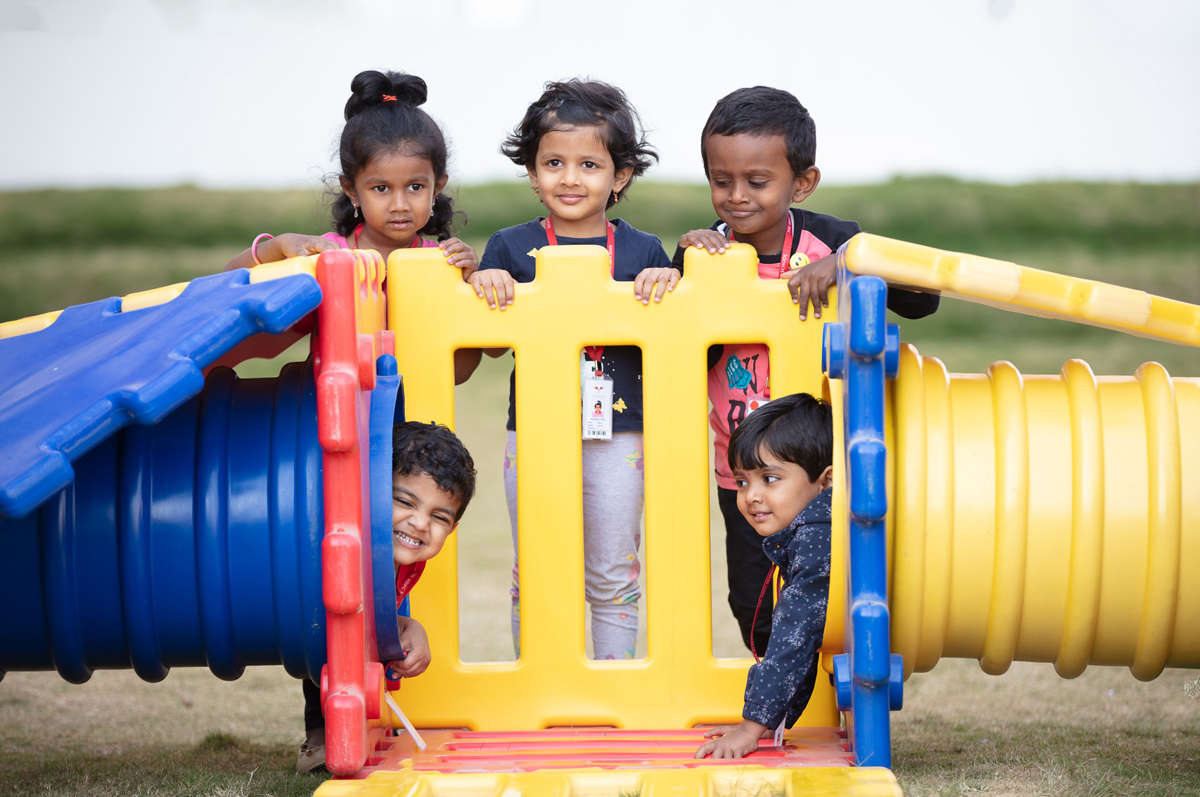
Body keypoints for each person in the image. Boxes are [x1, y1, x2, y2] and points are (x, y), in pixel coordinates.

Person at [670, 86, 939, 655]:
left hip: (824, 470)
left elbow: (924, 295)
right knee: (752, 601)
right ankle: (778, 691)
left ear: (803, 181)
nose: (736, 196)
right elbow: (672, 339)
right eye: (721, 181)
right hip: (741, 471)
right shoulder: (705, 254)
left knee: (827, 585)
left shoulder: (833, 239)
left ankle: (822, 693)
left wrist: (848, 263)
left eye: (757, 181)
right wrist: (685, 263)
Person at [466, 79, 679, 661]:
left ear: (621, 175)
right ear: (532, 174)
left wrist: (669, 287)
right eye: (553, 162)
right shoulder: (509, 249)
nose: (569, 178)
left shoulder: (645, 253)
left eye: (590, 164)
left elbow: (675, 338)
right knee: (535, 564)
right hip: (533, 434)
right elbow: (483, 348)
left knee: (612, 567)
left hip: (620, 438)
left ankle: (609, 681)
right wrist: (486, 288)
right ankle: (538, 681)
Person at [298, 421, 477, 774]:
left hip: (326, 629)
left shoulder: (407, 563)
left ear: (453, 528)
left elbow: (366, 616)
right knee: (327, 641)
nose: (420, 523)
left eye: (439, 517)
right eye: (403, 501)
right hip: (306, 623)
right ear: (372, 491)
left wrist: (409, 627)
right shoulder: (349, 543)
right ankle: (319, 736)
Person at [695, 393, 833, 760]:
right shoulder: (810, 527)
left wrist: (751, 727)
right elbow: (803, 644)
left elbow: (794, 636)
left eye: (769, 479)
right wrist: (768, 721)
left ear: (825, 481)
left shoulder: (819, 535)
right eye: (741, 482)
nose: (751, 496)